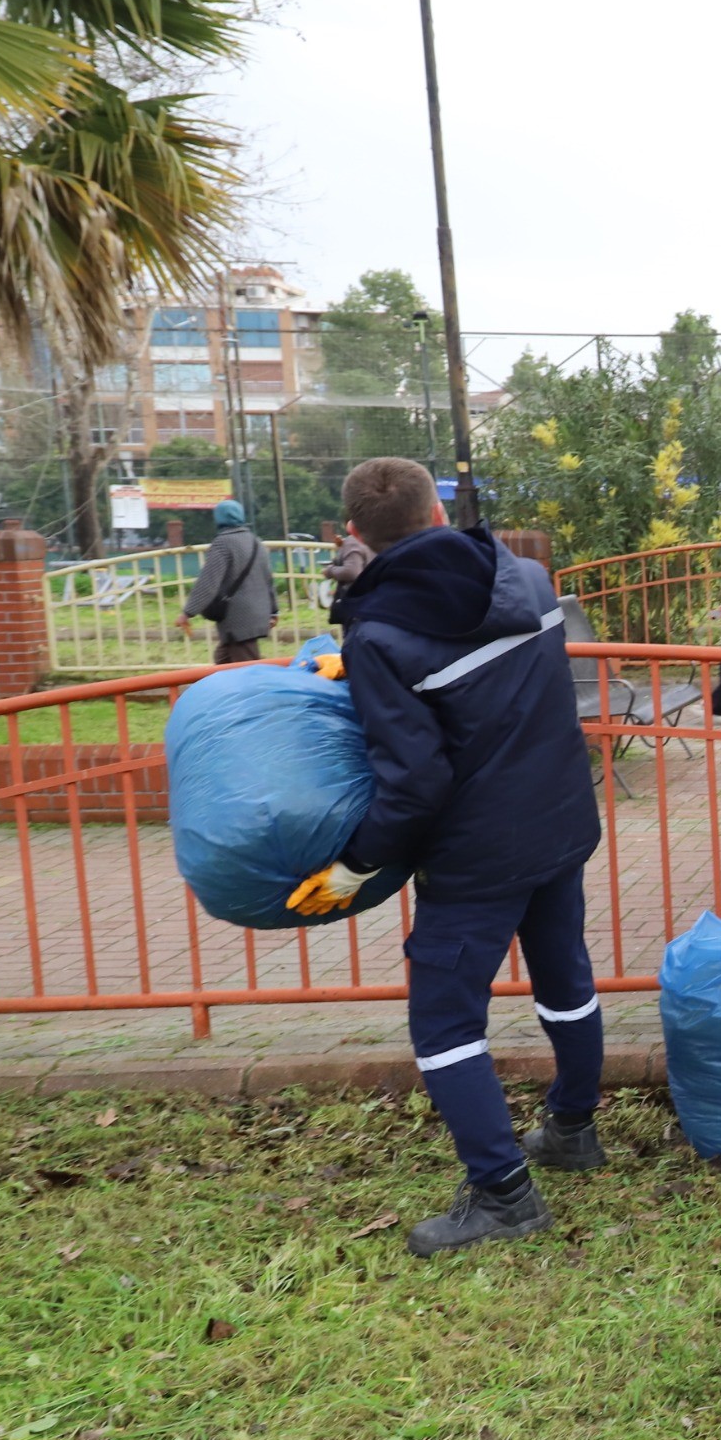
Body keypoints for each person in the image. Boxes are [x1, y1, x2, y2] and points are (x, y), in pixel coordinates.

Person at [285, 457, 606, 1258]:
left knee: (443, 1021)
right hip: (560, 822)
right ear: (438, 512)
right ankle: (571, 1129)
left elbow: (415, 782)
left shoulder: (380, 635)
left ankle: (503, 1195)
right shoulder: (527, 579)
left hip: (476, 856)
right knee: (564, 974)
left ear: (353, 534)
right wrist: (360, 665)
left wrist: (356, 865)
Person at [176, 498, 277, 663]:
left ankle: (260, 689)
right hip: (258, 614)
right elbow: (268, 580)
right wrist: (273, 611)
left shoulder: (223, 543)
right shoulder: (256, 542)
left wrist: (188, 613)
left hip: (239, 619)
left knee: (245, 670)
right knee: (223, 660)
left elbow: (208, 582)